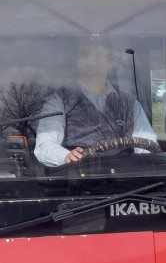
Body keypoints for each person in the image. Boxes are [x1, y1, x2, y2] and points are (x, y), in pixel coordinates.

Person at [34, 36, 157, 167]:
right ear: (77, 61)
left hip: (126, 181)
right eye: (85, 55)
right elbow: (44, 145)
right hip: (78, 181)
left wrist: (145, 165)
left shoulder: (130, 104)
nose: (91, 61)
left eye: (98, 55)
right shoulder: (59, 100)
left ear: (112, 61)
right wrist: (66, 156)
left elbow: (146, 144)